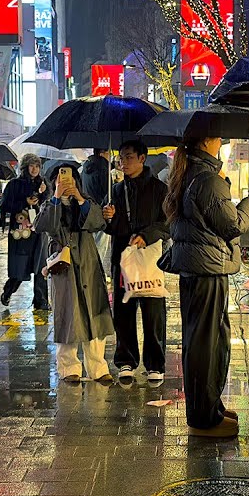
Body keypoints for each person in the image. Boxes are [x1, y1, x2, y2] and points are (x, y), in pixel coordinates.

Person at [160, 137, 249, 438]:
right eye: (218, 138)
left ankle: (208, 408)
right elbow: (232, 226)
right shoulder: (206, 179)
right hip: (207, 269)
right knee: (207, 343)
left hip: (196, 268)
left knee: (202, 340)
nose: (222, 142)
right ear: (206, 142)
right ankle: (204, 418)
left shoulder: (190, 174)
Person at [36, 165, 114, 383]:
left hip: (88, 263)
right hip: (64, 265)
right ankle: (68, 367)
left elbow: (98, 223)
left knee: (95, 313)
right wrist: (57, 197)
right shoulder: (49, 204)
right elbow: (44, 225)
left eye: (71, 178)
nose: (66, 181)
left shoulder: (86, 201)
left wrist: (79, 197)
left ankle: (98, 367)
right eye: (60, 178)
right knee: (67, 314)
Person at [102, 140, 170, 382]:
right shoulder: (116, 191)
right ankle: (126, 360)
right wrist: (108, 218)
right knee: (124, 311)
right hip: (123, 258)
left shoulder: (160, 190)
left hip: (150, 259)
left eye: (129, 157)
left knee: (153, 313)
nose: (123, 163)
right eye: (121, 158)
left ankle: (155, 364)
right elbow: (111, 229)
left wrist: (146, 236)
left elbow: (167, 224)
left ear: (142, 158)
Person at [0, 154, 49, 312]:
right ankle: (8, 291)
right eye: (31, 166)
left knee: (40, 266)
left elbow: (49, 205)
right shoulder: (14, 184)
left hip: (39, 231)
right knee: (20, 267)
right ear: (25, 167)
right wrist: (24, 202)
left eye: (37, 166)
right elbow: (6, 205)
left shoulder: (43, 184)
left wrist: (43, 193)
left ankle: (41, 301)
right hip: (21, 232)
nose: (35, 169)